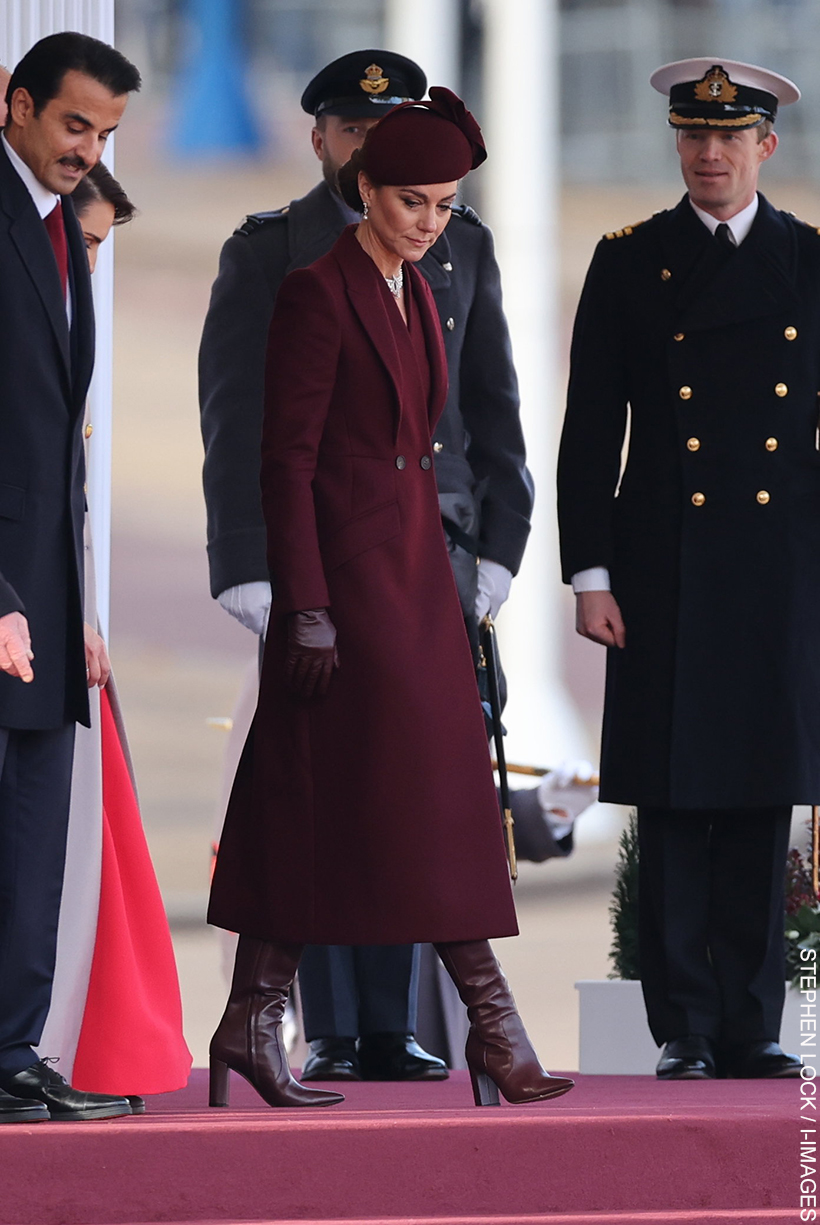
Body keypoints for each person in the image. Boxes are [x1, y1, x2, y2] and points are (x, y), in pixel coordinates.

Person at [207, 89, 575, 1112]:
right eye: (410, 199)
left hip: (414, 577)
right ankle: (491, 1034)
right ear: (361, 188)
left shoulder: (417, 287)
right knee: (367, 800)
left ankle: (261, 1020)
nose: (429, 220)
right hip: (345, 592)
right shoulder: (317, 292)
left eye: (445, 203)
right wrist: (308, 605)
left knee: (389, 802)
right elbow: (284, 463)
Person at [557, 58, 808, 1081]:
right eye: (692, 138)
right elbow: (589, 432)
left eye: (728, 138)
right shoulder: (629, 261)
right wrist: (589, 575)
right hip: (661, 562)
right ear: (675, 144)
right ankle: (684, 1028)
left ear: (765, 147)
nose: (708, 155)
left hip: (781, 565)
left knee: (760, 794)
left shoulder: (810, 262)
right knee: (670, 801)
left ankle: (752, 1024)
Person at [0, 32, 141, 1122]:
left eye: (104, 134)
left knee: (35, 832)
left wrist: (75, 604)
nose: (87, 151)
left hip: (46, 593)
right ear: (17, 105)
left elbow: (61, 447)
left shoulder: (64, 229)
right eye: (73, 124)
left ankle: (10, 1051)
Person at [36, 162, 192, 1111]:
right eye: (86, 244)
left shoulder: (67, 320)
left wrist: (86, 611)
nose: (92, 263)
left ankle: (63, 1045)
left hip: (63, 614)